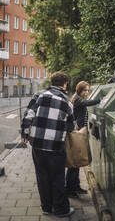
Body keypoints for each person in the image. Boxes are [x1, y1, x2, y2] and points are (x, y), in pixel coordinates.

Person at [21, 71, 75, 217]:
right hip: (56, 146)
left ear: (52, 82)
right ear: (64, 84)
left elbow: (28, 115)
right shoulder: (67, 101)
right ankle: (61, 210)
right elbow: (71, 126)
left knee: (42, 176)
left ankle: (46, 207)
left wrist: (25, 133)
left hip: (37, 144)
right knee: (57, 177)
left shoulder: (39, 95)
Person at [65, 81, 100, 198]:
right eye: (85, 90)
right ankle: (70, 189)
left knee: (77, 162)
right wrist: (101, 100)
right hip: (77, 132)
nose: (87, 92)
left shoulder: (76, 98)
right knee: (75, 162)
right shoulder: (78, 99)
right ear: (79, 90)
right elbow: (88, 102)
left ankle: (75, 187)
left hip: (79, 131)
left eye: (88, 90)